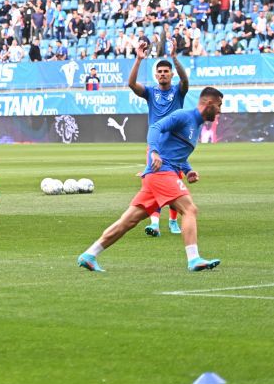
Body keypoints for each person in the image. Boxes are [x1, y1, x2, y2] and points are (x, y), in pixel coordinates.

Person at [78, 88, 224, 273]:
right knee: (189, 209)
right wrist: (153, 151)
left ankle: (89, 255)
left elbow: (176, 151)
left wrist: (187, 170)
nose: (220, 110)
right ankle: (194, 259)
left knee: (128, 221)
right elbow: (156, 127)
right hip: (161, 173)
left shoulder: (197, 124)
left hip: (160, 175)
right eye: (219, 105)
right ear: (209, 104)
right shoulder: (183, 116)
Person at [128, 40, 190, 236]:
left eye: (166, 71)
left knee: (174, 181)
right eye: (160, 72)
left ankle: (173, 221)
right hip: (155, 144)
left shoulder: (178, 91)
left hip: (175, 145)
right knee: (152, 182)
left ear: (171, 74)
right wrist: (138, 60)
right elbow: (131, 84)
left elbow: (186, 81)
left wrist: (174, 58)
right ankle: (154, 223)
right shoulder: (150, 92)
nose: (163, 74)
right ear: (156, 75)